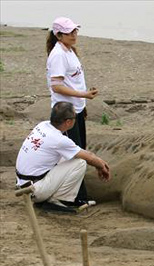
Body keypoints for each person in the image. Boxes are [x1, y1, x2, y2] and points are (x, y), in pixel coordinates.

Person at [15, 102, 110, 213]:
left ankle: (50, 198)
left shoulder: (42, 125)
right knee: (80, 162)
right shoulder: (59, 140)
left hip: (23, 185)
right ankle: (59, 201)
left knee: (68, 156)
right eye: (75, 117)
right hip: (33, 190)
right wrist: (101, 166)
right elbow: (89, 157)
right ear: (68, 122)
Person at [46, 16, 98, 204]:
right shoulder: (58, 54)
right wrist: (83, 95)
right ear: (59, 35)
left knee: (79, 151)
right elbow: (57, 86)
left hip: (75, 109)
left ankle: (76, 195)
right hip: (65, 112)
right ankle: (73, 198)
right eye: (69, 32)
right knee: (73, 155)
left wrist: (82, 105)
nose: (74, 34)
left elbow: (72, 81)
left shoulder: (69, 50)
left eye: (75, 31)